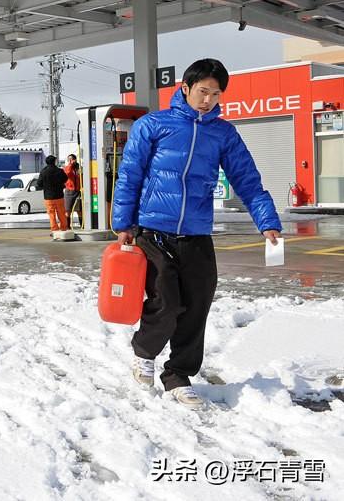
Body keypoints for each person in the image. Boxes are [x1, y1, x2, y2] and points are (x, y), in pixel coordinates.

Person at [113, 58, 282, 409]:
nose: (208, 100)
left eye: (216, 94)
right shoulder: (153, 125)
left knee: (198, 304)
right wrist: (124, 224)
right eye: (203, 91)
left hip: (196, 233)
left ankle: (178, 375)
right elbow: (129, 176)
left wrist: (267, 221)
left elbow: (247, 180)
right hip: (153, 230)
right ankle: (144, 352)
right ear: (186, 88)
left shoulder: (223, 134)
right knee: (167, 300)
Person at [36, 155, 69, 233]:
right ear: (54, 161)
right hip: (59, 196)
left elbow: (39, 183)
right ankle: (64, 228)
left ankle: (54, 229)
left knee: (51, 214)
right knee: (61, 213)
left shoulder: (43, 172)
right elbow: (66, 178)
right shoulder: (59, 171)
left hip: (48, 197)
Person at [63, 154, 81, 229]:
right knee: (68, 210)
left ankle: (81, 225)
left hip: (78, 191)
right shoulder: (67, 168)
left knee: (79, 210)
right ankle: (68, 227)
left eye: (73, 159)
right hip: (69, 191)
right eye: (69, 160)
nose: (71, 161)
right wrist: (70, 164)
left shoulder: (78, 168)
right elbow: (67, 173)